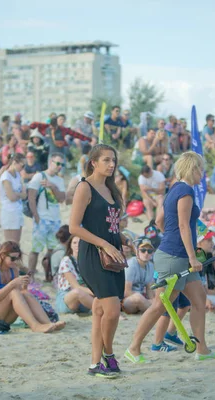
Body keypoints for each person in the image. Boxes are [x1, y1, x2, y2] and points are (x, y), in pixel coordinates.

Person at [125, 152, 215, 364]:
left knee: (199, 300)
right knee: (160, 305)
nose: (202, 174)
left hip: (176, 254)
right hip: (174, 256)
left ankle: (201, 348)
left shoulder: (173, 189)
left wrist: (172, 237)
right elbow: (184, 225)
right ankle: (133, 348)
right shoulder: (185, 191)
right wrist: (193, 257)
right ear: (192, 169)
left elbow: (159, 220)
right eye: (200, 170)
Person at [69, 144, 126, 377]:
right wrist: (104, 243)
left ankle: (95, 364)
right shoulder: (85, 187)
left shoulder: (112, 189)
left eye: (113, 160)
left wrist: (124, 240)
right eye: (106, 160)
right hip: (93, 254)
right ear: (93, 162)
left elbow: (110, 225)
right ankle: (109, 355)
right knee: (112, 310)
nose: (111, 164)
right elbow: (74, 227)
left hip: (114, 254)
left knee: (101, 311)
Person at [0, 242, 65, 332]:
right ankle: (35, 326)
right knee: (13, 291)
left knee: (25, 293)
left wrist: (24, 286)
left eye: (18, 258)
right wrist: (13, 284)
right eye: (13, 258)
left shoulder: (14, 270)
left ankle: (48, 323)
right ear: (2, 256)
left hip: (4, 315)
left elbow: (19, 296)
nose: (16, 261)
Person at [27, 154, 66, 279]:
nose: (59, 167)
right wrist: (36, 216)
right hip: (42, 218)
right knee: (36, 249)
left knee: (52, 250)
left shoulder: (59, 180)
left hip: (55, 220)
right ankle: (31, 275)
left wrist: (52, 186)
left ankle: (48, 275)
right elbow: (31, 197)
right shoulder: (39, 176)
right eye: (57, 163)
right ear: (50, 162)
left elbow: (61, 199)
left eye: (62, 164)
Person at [55, 235, 94, 314]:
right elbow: (75, 286)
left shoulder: (88, 261)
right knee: (77, 292)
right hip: (67, 298)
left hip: (85, 298)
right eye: (74, 243)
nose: (77, 245)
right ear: (70, 245)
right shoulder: (66, 261)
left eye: (80, 243)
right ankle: (106, 312)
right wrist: (95, 292)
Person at [0, 153, 27, 243]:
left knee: (17, 242)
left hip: (18, 210)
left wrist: (17, 194)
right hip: (9, 211)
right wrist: (19, 194)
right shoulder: (6, 176)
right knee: (10, 243)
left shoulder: (17, 175)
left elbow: (24, 194)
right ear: (14, 162)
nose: (23, 168)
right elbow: (11, 197)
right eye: (22, 165)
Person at [122, 238, 156, 314]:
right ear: (137, 251)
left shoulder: (151, 266)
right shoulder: (131, 264)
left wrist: (153, 299)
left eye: (149, 251)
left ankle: (156, 308)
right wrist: (147, 300)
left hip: (142, 298)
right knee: (138, 297)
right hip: (125, 301)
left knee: (158, 292)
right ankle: (158, 311)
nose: (146, 253)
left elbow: (149, 290)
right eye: (143, 250)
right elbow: (126, 292)